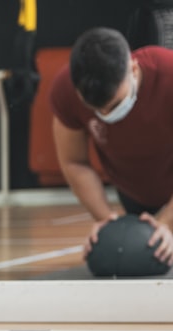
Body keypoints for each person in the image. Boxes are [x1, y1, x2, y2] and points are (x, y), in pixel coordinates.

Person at [50, 27, 173, 265]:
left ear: (133, 69)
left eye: (115, 104)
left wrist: (167, 223)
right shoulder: (65, 90)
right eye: (97, 109)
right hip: (134, 192)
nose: (106, 114)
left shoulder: (169, 76)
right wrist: (107, 222)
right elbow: (74, 161)